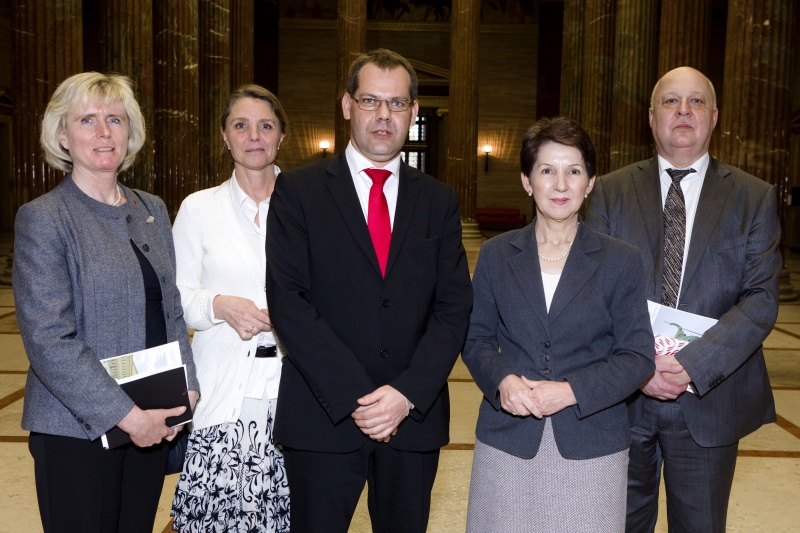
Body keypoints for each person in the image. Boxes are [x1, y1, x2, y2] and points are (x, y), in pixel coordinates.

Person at [265, 48, 473, 533]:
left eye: (397, 104)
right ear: (346, 106)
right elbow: (288, 301)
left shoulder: (438, 200)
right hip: (324, 415)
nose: (384, 116)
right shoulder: (299, 191)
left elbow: (453, 307)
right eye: (370, 101)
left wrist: (404, 394)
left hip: (411, 418)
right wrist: (361, 398)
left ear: (414, 112)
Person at [587, 67, 781, 532]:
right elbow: (592, 289)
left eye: (696, 102)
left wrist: (692, 362)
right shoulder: (608, 192)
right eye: (671, 102)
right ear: (651, 117)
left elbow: (761, 298)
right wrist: (642, 364)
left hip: (710, 401)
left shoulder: (754, 198)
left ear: (714, 118)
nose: (683, 112)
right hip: (623, 400)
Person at [13, 72, 199, 532]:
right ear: (62, 135)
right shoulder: (44, 218)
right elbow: (49, 340)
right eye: (88, 120)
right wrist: (125, 416)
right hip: (77, 429)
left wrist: (187, 389)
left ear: (129, 133)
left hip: (154, 421)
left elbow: (171, 310)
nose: (103, 132)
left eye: (115, 119)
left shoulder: (150, 208)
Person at [462, 117, 656, 532]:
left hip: (591, 442)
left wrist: (570, 391)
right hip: (508, 438)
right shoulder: (497, 255)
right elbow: (476, 339)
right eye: (547, 170)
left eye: (574, 171)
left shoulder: (620, 260)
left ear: (590, 183)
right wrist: (503, 382)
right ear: (527, 181)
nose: (561, 184)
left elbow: (637, 357)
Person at [170, 85, 290, 532]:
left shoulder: (309, 206)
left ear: (281, 137)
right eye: (241, 125)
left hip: (292, 392)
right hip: (222, 392)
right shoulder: (199, 209)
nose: (253, 135)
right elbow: (176, 299)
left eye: (265, 125)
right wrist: (219, 305)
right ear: (224, 136)